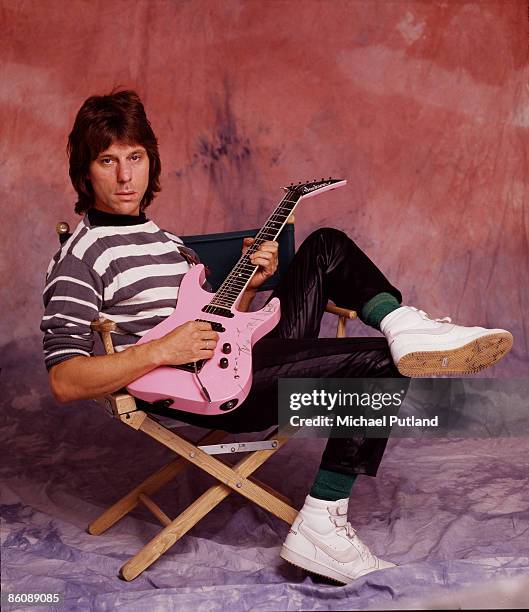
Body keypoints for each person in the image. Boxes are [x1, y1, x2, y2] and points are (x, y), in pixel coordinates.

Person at [41, 90, 513, 585]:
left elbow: (217, 324)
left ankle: (404, 324)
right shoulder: (81, 256)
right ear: (84, 171)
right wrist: (161, 350)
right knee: (380, 363)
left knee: (325, 244)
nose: (124, 176)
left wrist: (253, 288)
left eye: (134, 158)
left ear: (150, 161)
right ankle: (321, 524)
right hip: (201, 391)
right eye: (107, 160)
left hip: (236, 357)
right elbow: (64, 379)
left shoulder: (166, 242)